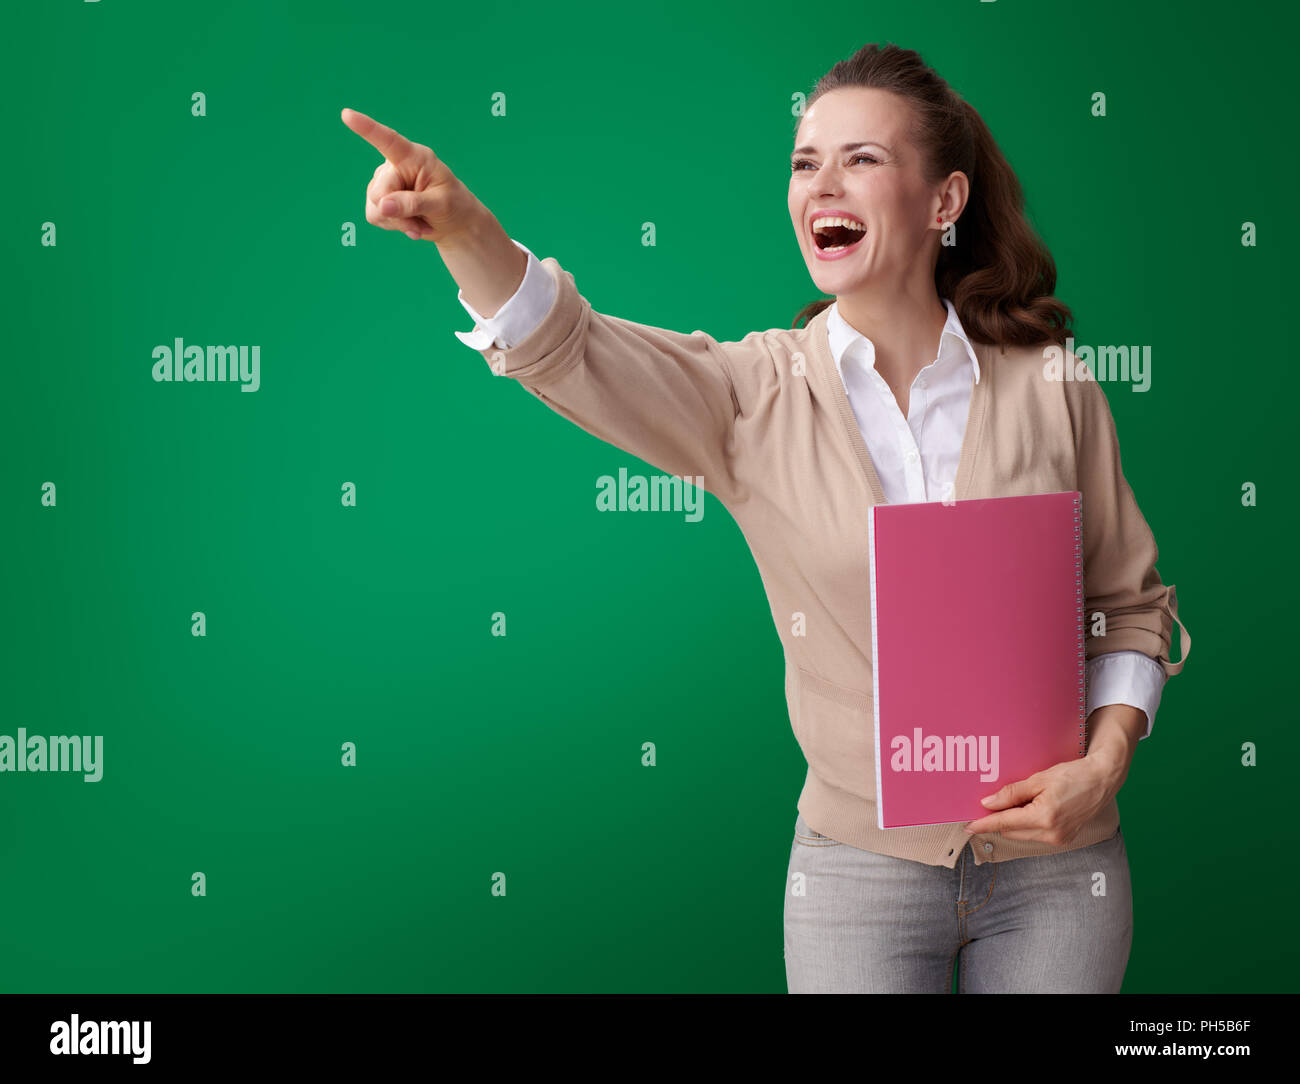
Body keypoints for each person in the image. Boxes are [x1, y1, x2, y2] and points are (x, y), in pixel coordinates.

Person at [340, 41, 1191, 994]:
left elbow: (1127, 604)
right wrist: (465, 232)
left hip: (1059, 870)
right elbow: (576, 348)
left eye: (861, 159)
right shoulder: (751, 394)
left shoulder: (1054, 386)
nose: (822, 183)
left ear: (945, 201)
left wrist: (1105, 764)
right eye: (804, 162)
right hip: (856, 874)